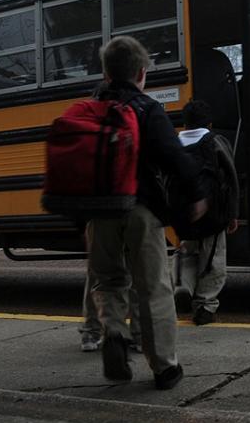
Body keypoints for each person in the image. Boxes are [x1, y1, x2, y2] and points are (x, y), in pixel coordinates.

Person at [86, 35, 207, 390]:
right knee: (153, 287)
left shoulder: (90, 110)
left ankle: (113, 332)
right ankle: (164, 367)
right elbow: (174, 157)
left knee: (107, 281)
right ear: (141, 73)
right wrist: (197, 195)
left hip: (99, 212)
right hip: (140, 209)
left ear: (107, 73)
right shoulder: (147, 108)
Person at [173, 99, 239, 326]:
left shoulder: (174, 145)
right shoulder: (216, 142)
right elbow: (231, 179)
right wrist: (232, 214)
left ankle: (183, 286)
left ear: (185, 123)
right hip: (213, 214)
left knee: (188, 252)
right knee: (213, 259)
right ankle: (205, 305)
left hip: (184, 216)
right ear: (209, 123)